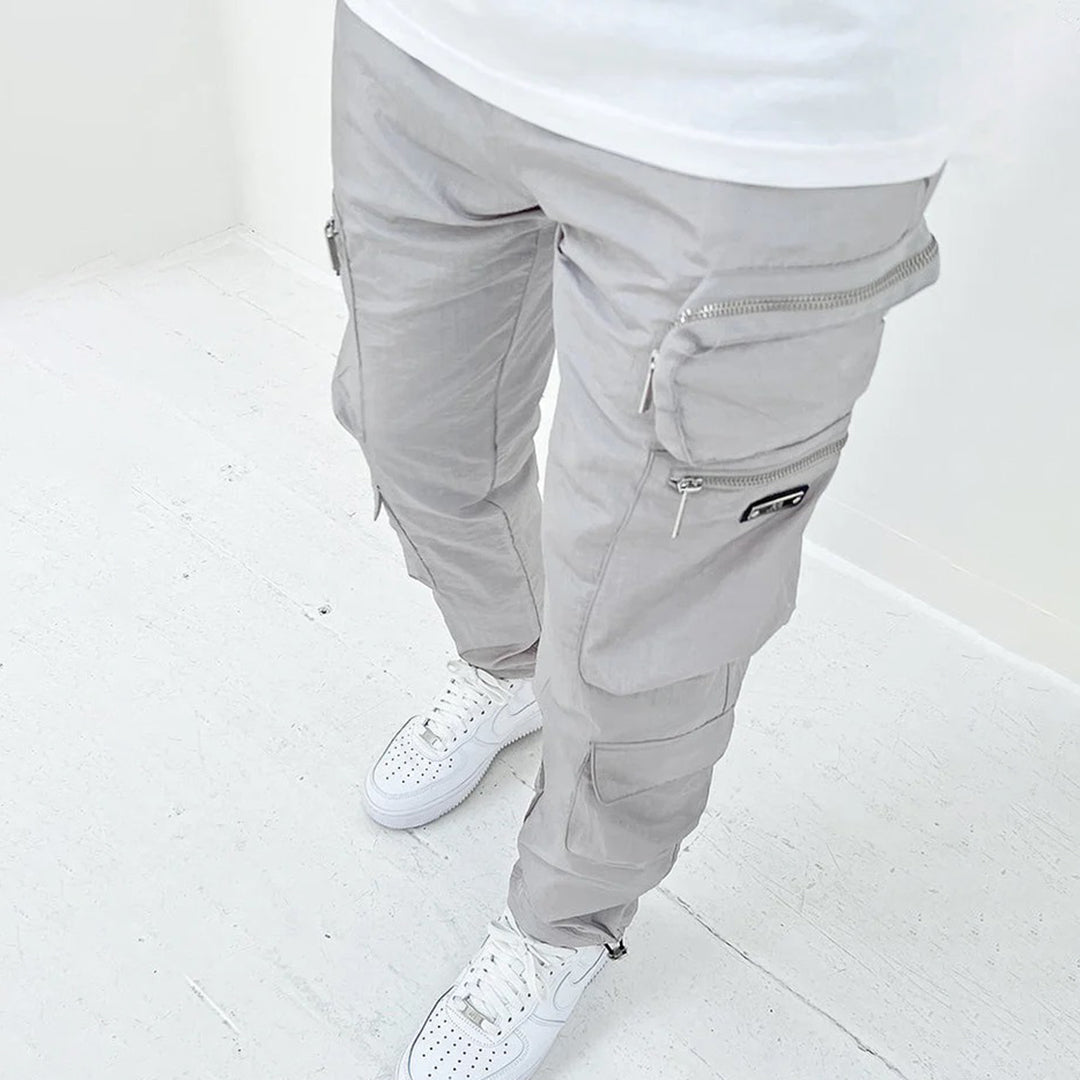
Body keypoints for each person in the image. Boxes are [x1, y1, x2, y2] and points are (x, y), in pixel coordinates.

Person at [327, 2, 953, 1076]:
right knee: (412, 431)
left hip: (758, 114)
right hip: (430, 46)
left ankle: (563, 918)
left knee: (655, 599)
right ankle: (508, 661)